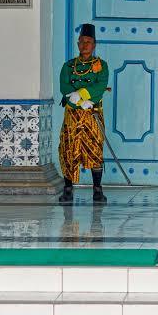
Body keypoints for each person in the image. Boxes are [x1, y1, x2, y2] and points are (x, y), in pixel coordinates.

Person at [58, 23, 110, 203]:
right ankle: (68, 188)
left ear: (94, 44)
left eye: (89, 42)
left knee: (95, 148)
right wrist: (79, 100)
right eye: (82, 42)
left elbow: (100, 86)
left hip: (92, 114)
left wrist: (82, 93)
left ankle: (97, 189)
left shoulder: (101, 65)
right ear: (78, 44)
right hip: (72, 115)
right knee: (69, 149)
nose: (85, 45)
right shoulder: (68, 66)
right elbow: (64, 86)